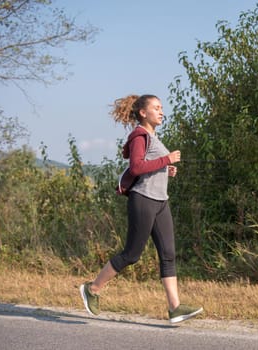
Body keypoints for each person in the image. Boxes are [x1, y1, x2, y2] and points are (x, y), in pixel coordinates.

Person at [80, 94, 203, 323]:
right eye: (156, 108)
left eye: (162, 108)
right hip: (143, 199)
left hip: (160, 201)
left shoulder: (154, 138)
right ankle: (93, 289)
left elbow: (149, 166)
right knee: (132, 254)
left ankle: (175, 308)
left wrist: (166, 170)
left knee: (168, 254)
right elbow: (136, 167)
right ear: (143, 113)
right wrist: (166, 160)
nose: (162, 111)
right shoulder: (139, 135)